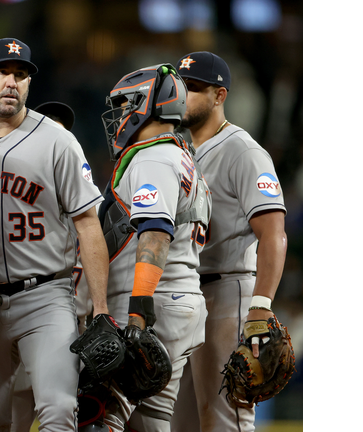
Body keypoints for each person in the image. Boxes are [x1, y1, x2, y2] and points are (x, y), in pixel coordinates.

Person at [0, 38, 111, 432]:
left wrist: (100, 309)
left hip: (45, 296)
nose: (11, 82)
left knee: (60, 411)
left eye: (21, 74)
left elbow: (88, 224)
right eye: (1, 72)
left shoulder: (58, 140)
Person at [169, 52, 288, 432]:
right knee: (180, 423)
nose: (183, 95)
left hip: (228, 291)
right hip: (185, 295)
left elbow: (274, 233)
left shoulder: (243, 150)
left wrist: (260, 307)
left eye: (194, 88)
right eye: (181, 86)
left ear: (219, 95)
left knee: (225, 419)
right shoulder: (179, 151)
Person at [95, 63, 211, 432]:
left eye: (125, 104)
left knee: (97, 414)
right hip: (181, 298)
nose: (120, 115)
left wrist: (138, 315)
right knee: (150, 422)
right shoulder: (183, 158)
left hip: (150, 303)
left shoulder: (153, 157)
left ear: (145, 103)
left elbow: (156, 233)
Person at [10, 101, 92, 432]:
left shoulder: (83, 202)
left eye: (63, 131)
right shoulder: (19, 201)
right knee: (7, 419)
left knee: (62, 415)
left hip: (66, 330)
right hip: (25, 316)